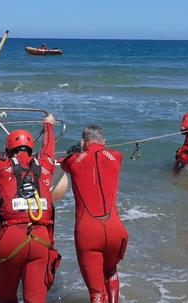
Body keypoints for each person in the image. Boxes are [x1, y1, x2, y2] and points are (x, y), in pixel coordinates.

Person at [0, 102, 61, 303]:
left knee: (8, 299)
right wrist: (49, 125)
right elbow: (49, 149)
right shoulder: (45, 166)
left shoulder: (1, 166)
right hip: (41, 239)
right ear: (31, 148)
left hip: (11, 240)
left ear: (8, 149)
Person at [60, 125, 129, 303]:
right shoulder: (117, 157)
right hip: (115, 229)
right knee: (111, 271)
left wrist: (76, 152)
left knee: (96, 293)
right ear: (103, 141)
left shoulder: (73, 161)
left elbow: (63, 163)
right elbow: (103, 156)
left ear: (83, 142)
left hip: (88, 232)